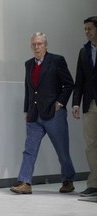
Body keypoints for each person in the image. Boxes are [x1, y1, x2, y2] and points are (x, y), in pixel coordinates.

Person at [10, 32, 76, 194]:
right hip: (34, 114)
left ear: (46, 45)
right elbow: (28, 89)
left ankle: (68, 180)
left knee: (62, 150)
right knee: (29, 150)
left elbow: (68, 84)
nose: (37, 47)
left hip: (54, 114)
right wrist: (26, 109)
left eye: (40, 44)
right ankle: (25, 183)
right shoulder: (28, 64)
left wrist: (60, 103)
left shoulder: (56, 60)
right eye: (34, 44)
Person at [72, 16, 97, 197]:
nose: (87, 32)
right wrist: (75, 103)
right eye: (85, 29)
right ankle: (94, 184)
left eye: (90, 28)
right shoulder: (83, 51)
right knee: (91, 145)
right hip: (90, 104)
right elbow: (79, 80)